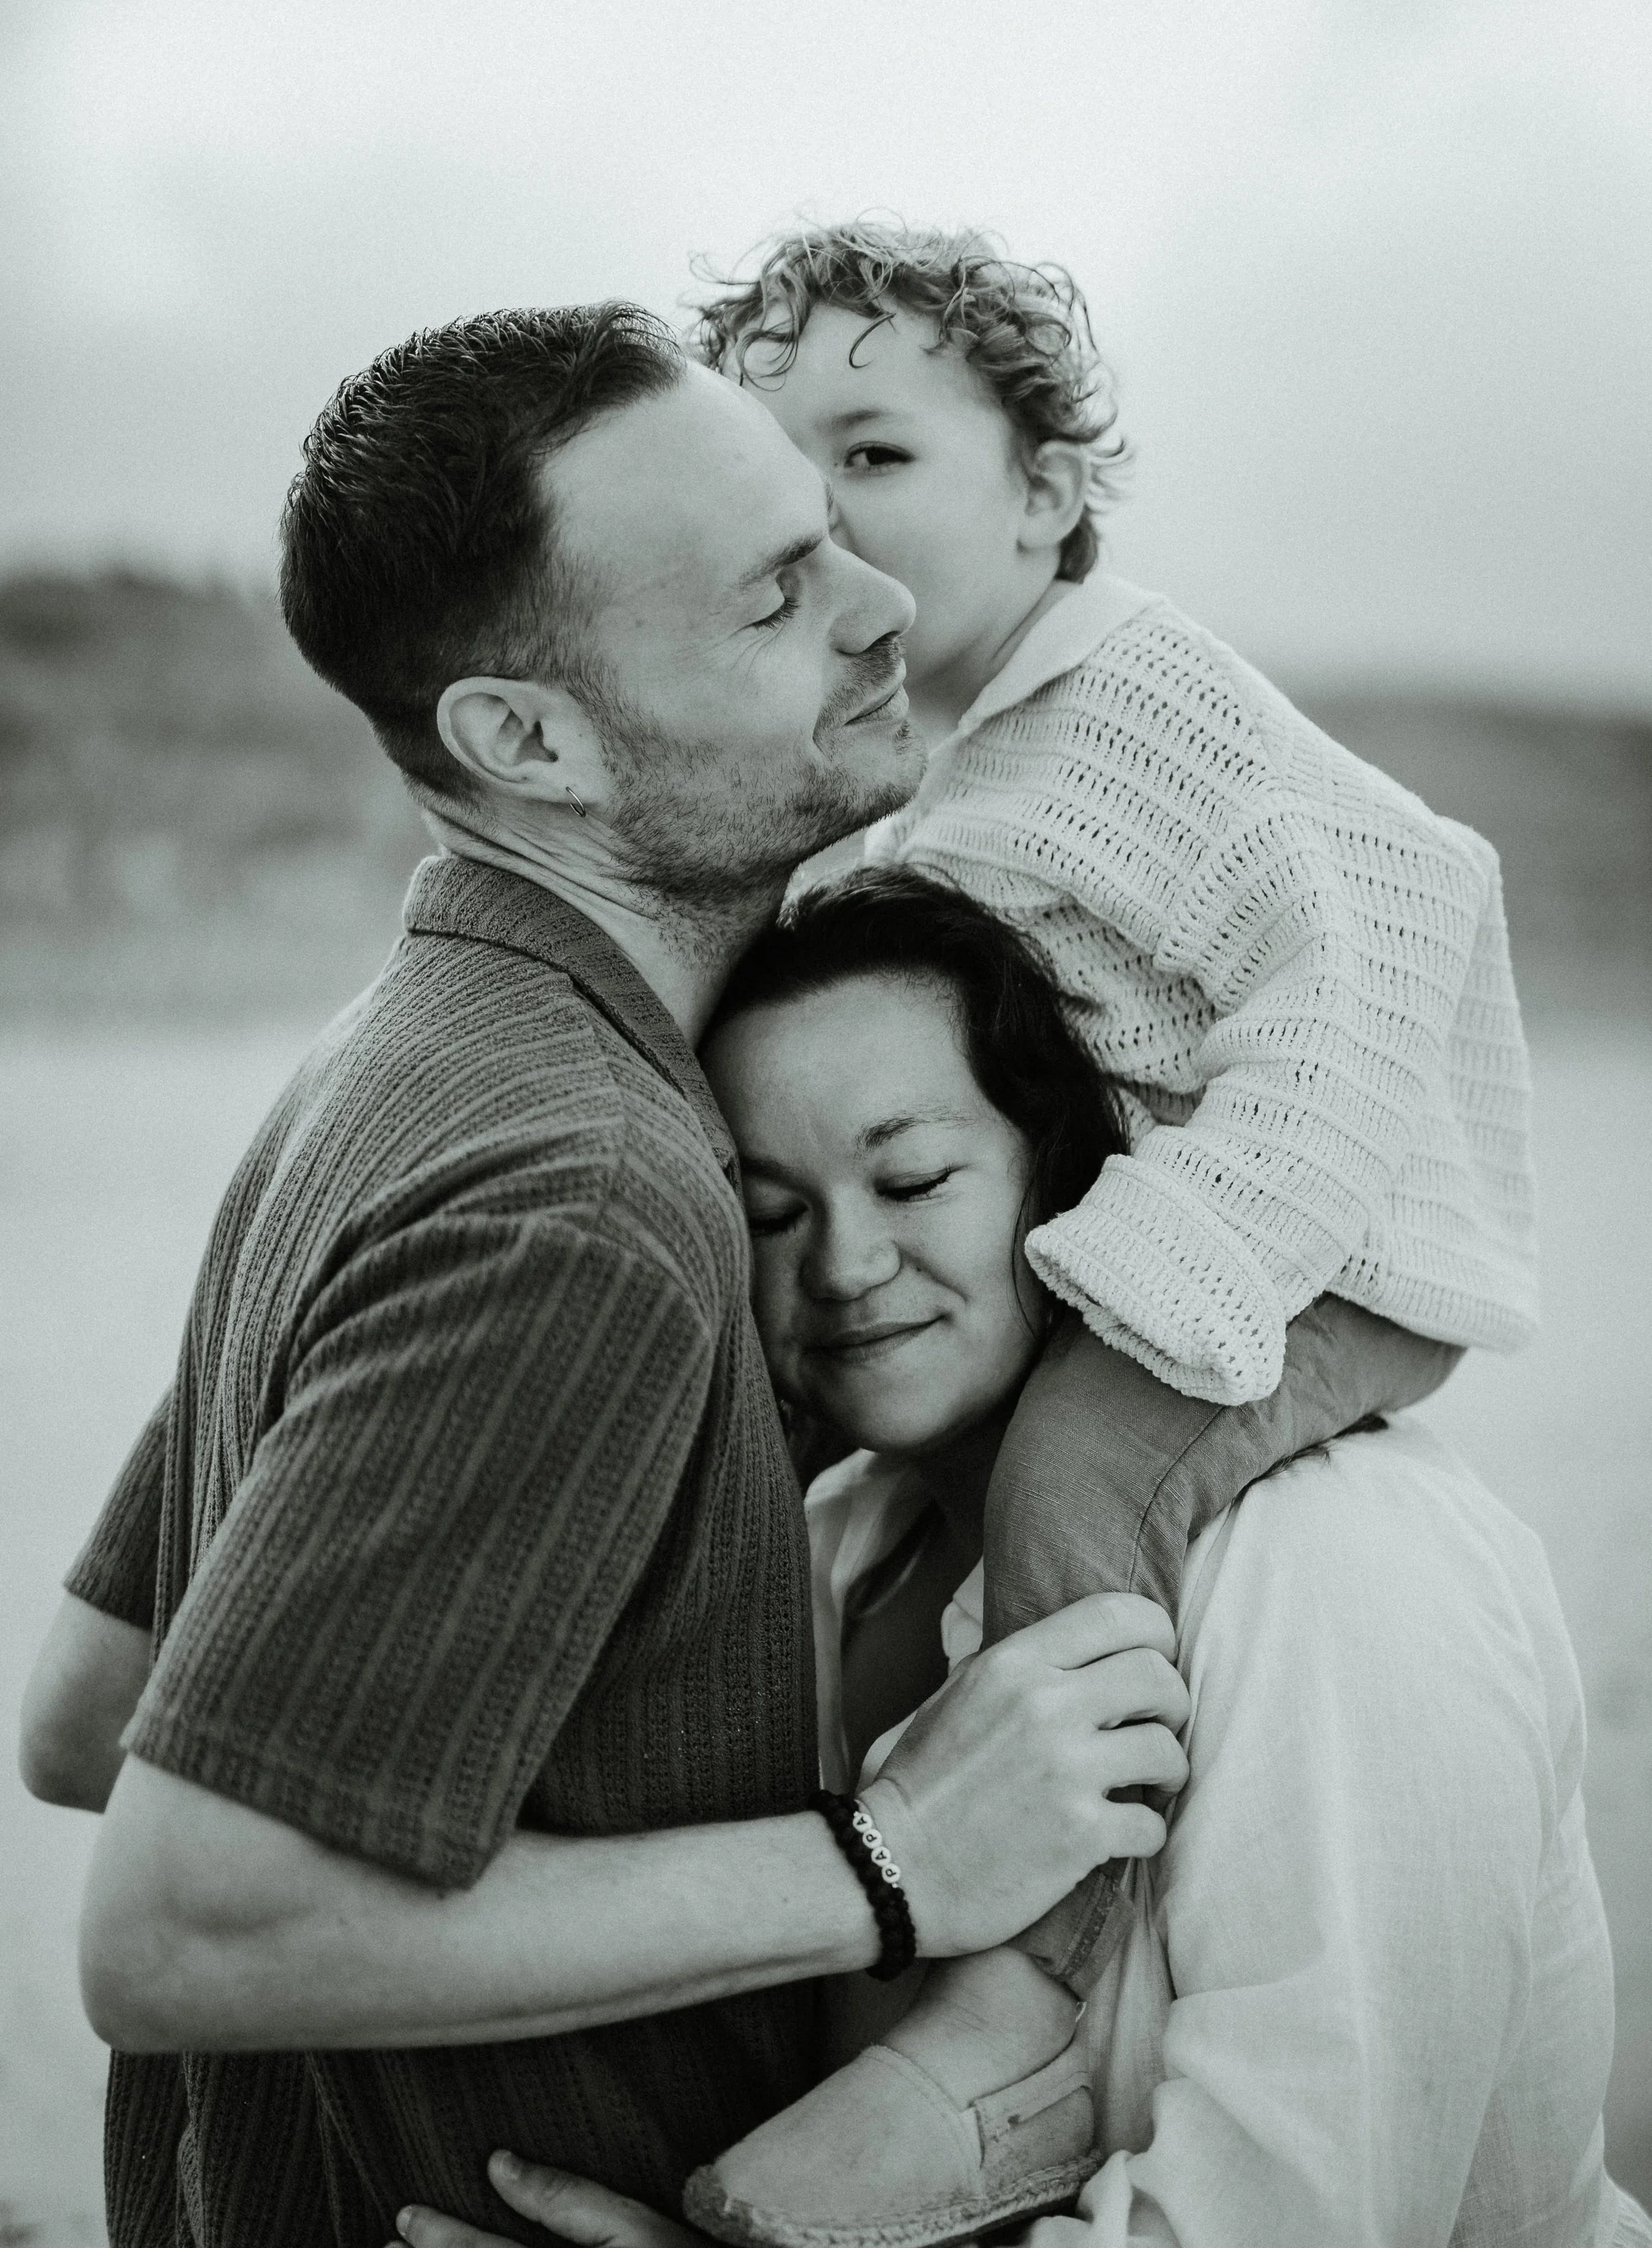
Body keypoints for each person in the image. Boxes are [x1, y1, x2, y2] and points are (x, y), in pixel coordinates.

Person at [19, 308, 1191, 2247]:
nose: (884, 601)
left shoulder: (391, 1058)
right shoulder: (579, 1195)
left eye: (839, 532)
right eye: (771, 597)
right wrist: (892, 1856)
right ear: (527, 737)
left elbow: (90, 1702)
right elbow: (172, 1922)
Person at [677, 218, 1540, 2227]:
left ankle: (1031, 2001)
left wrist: (1159, 1267)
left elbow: (1384, 937)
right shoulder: (925, 775)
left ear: (1050, 494)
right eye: (773, 490)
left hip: (1321, 1256)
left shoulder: (1144, 703)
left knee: (1077, 1466)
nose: (826, 530)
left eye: (875, 458)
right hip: (1168, 1247)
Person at [390, 871, 1647, 2248]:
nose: (847, 1263)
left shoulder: (1333, 1563)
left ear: (1062, 1169)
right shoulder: (814, 1560)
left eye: (912, 1177)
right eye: (769, 1211)